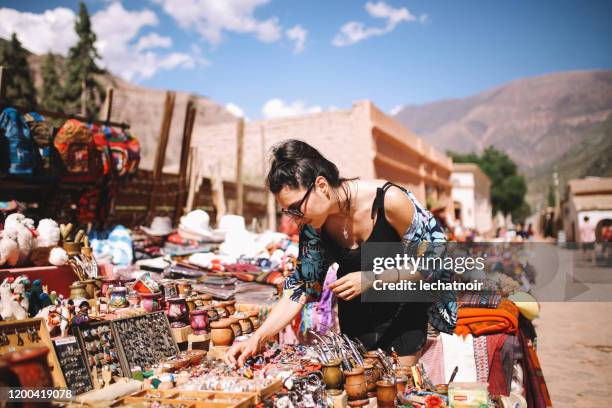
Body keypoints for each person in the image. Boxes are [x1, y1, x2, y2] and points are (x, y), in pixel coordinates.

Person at [225, 140, 453, 368]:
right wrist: (257, 338)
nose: (294, 218)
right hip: (355, 329)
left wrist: (371, 279)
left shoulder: (389, 201)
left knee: (394, 394)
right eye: (287, 211)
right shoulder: (313, 225)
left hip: (402, 322)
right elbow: (301, 288)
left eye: (296, 207)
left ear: (321, 186)